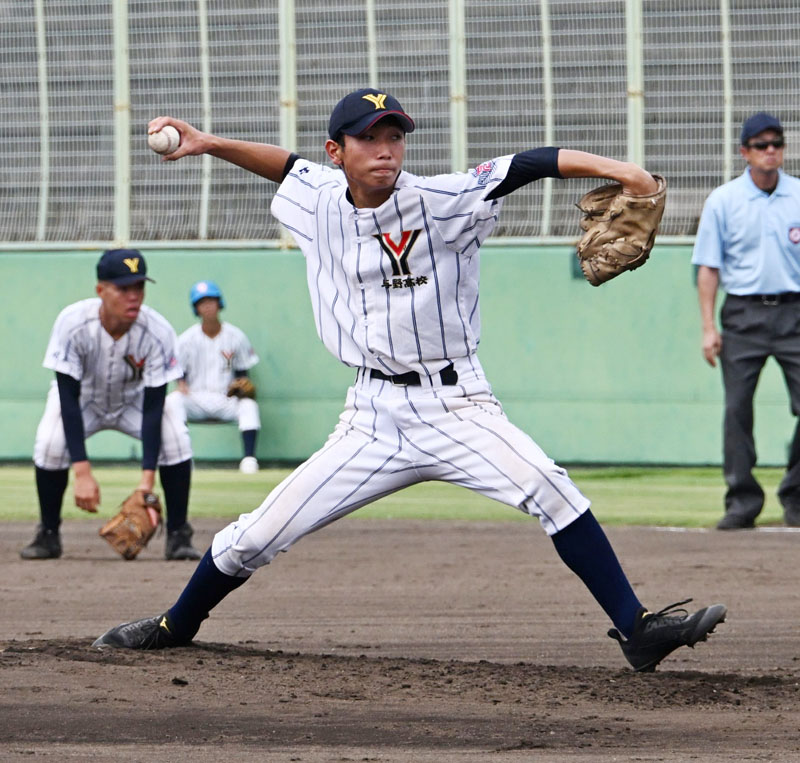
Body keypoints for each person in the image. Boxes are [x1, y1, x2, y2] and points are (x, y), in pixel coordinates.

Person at [93, 89, 726, 671]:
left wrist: (625, 173)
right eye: (371, 137)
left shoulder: (443, 199)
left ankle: (636, 629)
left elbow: (528, 162)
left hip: (457, 404)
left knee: (547, 486)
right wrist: (206, 142)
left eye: (396, 135)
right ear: (337, 152)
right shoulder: (317, 193)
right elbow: (284, 165)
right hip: (369, 416)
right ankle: (178, 623)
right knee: (256, 534)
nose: (387, 149)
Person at [21, 249, 201, 561]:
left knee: (176, 438)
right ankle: (48, 533)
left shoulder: (158, 332)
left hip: (135, 402)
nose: (134, 297)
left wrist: (147, 483)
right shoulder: (73, 323)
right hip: (83, 400)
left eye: (139, 287)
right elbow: (68, 398)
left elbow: (154, 406)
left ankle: (178, 534)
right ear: (101, 290)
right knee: (50, 443)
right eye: (123, 288)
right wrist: (82, 472)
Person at [693, 111, 800, 530]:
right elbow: (708, 268)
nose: (770, 151)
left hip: (794, 311)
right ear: (745, 152)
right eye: (761, 145)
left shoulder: (798, 195)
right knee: (737, 409)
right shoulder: (724, 200)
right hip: (742, 314)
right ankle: (742, 501)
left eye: (777, 144)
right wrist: (708, 328)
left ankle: (795, 494)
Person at [168, 280, 261, 474]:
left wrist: (243, 385)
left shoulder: (236, 336)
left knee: (249, 406)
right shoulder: (186, 339)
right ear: (196, 308)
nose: (208, 306)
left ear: (219, 303)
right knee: (173, 401)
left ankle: (249, 460)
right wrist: (181, 384)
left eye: (211, 300)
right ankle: (183, 459)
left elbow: (244, 374)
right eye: (202, 302)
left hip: (226, 398)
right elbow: (179, 373)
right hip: (196, 398)